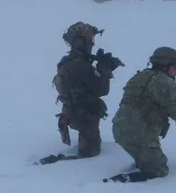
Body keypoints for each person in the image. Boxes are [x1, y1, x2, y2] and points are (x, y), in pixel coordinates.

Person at [109, 46, 176, 183]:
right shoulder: (165, 82)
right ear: (166, 66)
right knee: (159, 171)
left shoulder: (140, 76)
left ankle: (143, 160)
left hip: (120, 130)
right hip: (141, 135)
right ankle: (123, 181)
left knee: (145, 157)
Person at [43, 22, 120, 163]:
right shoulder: (81, 66)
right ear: (79, 42)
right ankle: (58, 164)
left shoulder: (67, 62)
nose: (92, 44)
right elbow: (103, 90)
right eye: (89, 40)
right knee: (90, 157)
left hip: (70, 112)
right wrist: (104, 70)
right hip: (84, 117)